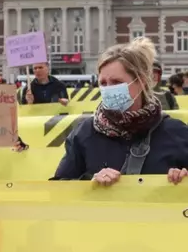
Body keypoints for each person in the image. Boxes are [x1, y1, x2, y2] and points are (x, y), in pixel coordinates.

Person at [52, 37, 188, 184]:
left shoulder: (176, 132)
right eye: (103, 83)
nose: (109, 88)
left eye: (117, 82)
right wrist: (89, 183)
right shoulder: (85, 133)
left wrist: (182, 179)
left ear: (141, 81)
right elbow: (59, 188)